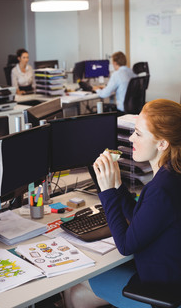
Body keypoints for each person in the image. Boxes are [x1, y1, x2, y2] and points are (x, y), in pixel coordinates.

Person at [65, 99, 181, 308]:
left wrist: (108, 191)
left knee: (74, 289)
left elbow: (126, 245)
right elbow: (141, 217)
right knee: (80, 290)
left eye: (138, 133)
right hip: (170, 278)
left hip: (162, 291)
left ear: (162, 143)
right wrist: (117, 185)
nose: (130, 138)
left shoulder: (160, 190)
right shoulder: (171, 176)